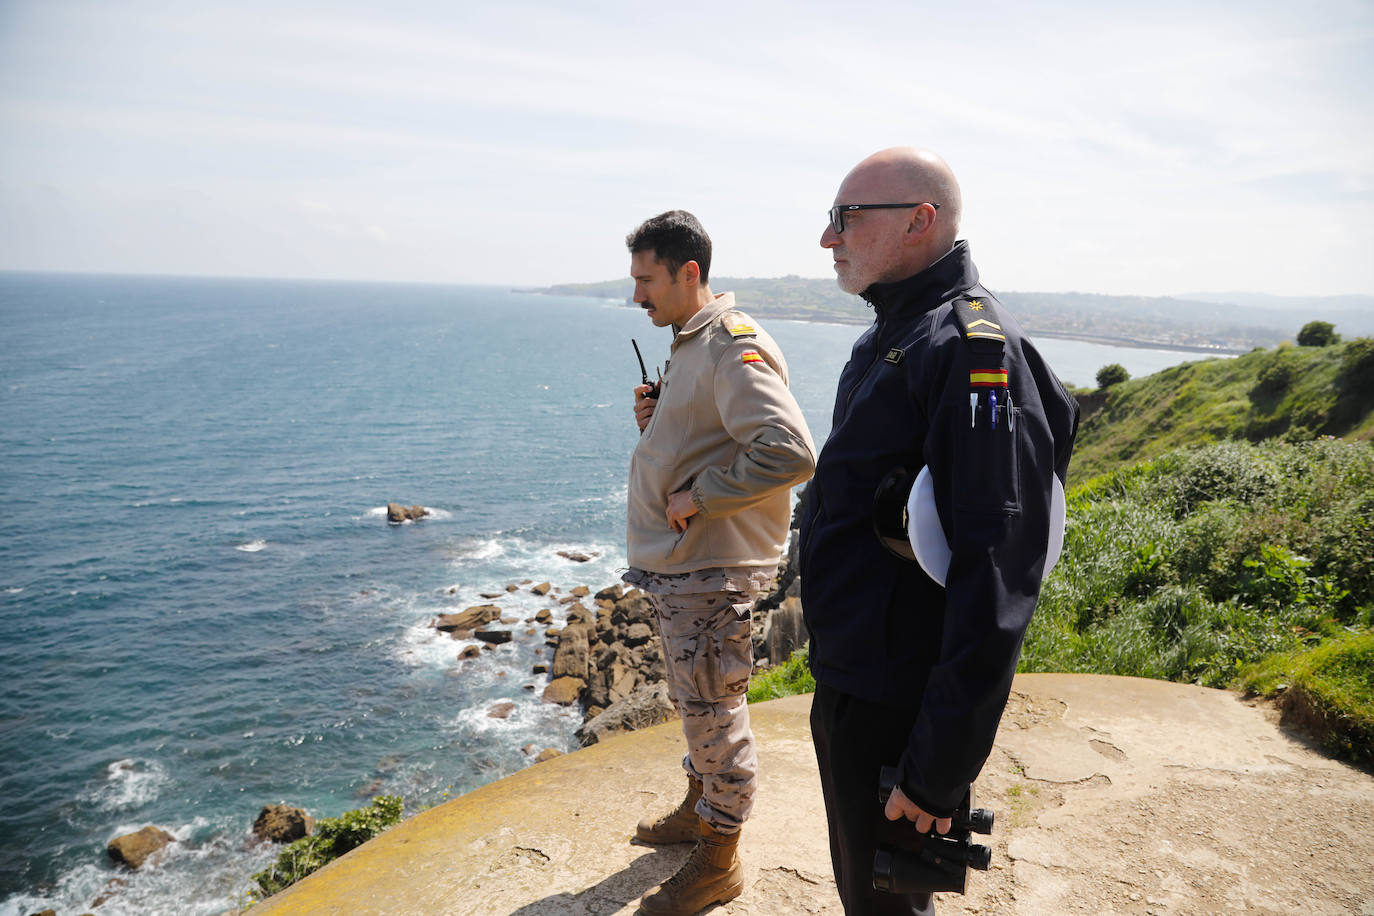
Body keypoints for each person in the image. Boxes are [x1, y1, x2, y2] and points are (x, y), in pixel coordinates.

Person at [798, 148, 1080, 915]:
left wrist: (937, 767)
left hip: (901, 704)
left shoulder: (969, 350)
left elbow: (999, 574)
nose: (830, 238)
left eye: (847, 217)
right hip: (856, 681)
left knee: (890, 905)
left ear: (921, 220)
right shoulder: (898, 333)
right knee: (869, 896)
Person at [621, 209, 816, 916]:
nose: (638, 296)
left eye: (647, 281)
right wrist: (660, 424)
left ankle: (720, 856)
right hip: (688, 563)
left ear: (689, 273)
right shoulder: (690, 341)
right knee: (695, 700)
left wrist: (700, 494)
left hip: (715, 564)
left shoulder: (732, 344)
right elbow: (711, 434)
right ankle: (701, 807)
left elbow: (790, 451)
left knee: (714, 708)